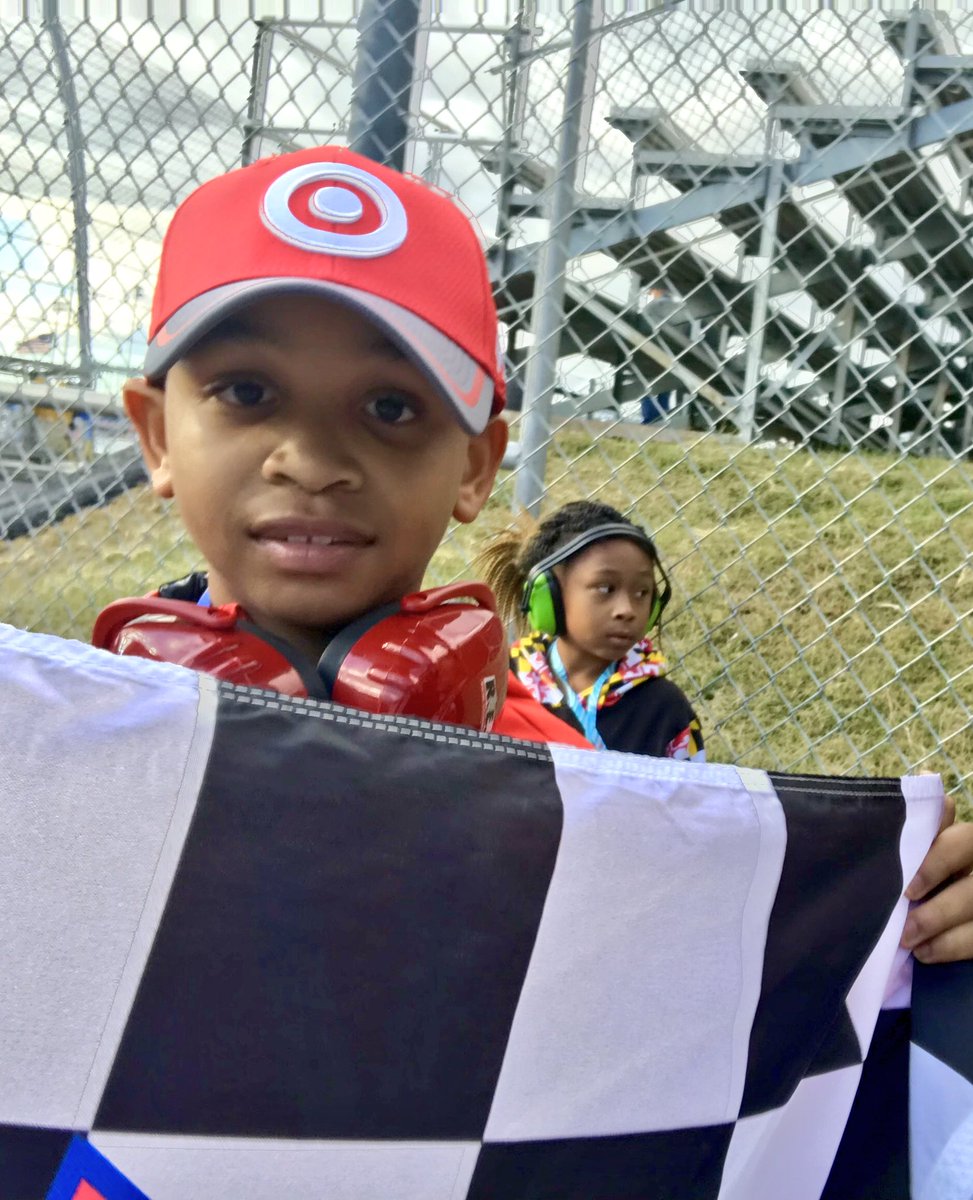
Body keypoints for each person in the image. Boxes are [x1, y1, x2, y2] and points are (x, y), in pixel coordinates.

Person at [97, 143, 972, 965]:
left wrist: (905, 915)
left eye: (391, 408)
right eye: (247, 392)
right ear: (156, 435)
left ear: (476, 466)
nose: (313, 462)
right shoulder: (56, 751)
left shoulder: (574, 792)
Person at [479, 500, 703, 760]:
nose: (626, 609)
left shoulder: (665, 708)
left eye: (642, 592)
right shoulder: (502, 682)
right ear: (549, 597)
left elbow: (690, 797)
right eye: (605, 588)